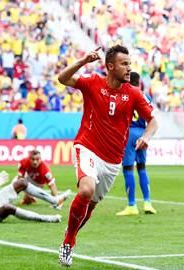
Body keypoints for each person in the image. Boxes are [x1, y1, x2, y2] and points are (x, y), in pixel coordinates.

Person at [57, 45, 158, 266]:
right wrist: (83, 60)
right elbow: (63, 79)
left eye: (130, 64)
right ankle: (68, 242)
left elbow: (153, 121)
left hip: (112, 160)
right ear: (110, 67)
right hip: (87, 147)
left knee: (89, 207)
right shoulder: (92, 82)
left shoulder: (133, 93)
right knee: (86, 189)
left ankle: (70, 232)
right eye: (124, 64)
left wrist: (147, 137)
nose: (129, 68)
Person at [116, 72, 156, 216]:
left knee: (128, 169)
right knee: (142, 168)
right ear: (139, 82)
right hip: (142, 132)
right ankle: (147, 202)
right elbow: (151, 115)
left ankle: (132, 205)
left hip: (128, 133)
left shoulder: (125, 94)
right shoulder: (146, 96)